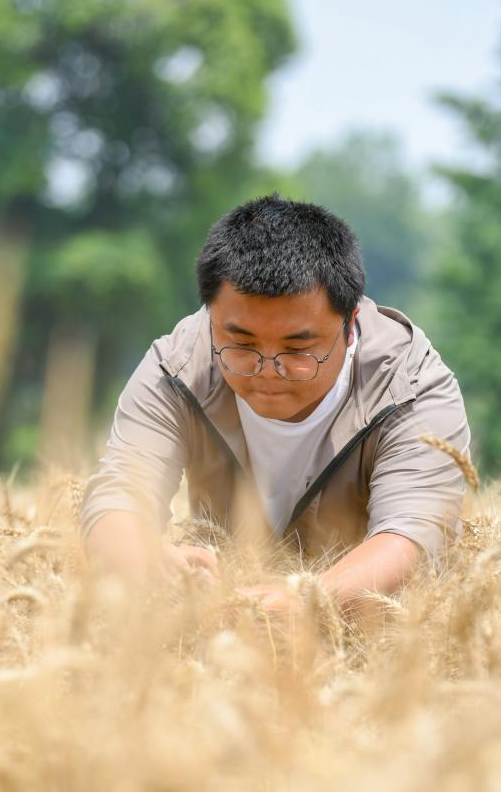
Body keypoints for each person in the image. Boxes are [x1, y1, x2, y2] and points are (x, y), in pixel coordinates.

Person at [78, 194, 471, 616]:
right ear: (211, 315)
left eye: (298, 350)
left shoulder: (410, 388)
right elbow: (117, 497)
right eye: (241, 345)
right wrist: (145, 560)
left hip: (371, 638)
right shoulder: (177, 366)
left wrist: (310, 602)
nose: (268, 370)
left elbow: (412, 535)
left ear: (350, 323)